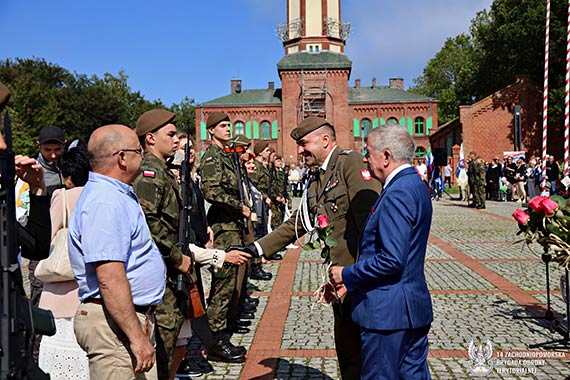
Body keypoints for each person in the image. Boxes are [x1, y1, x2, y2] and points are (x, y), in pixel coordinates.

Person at [230, 116, 382, 379]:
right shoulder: (317, 179)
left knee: (369, 353)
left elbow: (371, 225)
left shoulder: (350, 163)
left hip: (360, 279)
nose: (300, 150)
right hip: (342, 281)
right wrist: (255, 249)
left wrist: (357, 275)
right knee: (348, 352)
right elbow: (297, 224)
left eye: (304, 143)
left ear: (325, 140)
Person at [329, 125, 433, 380]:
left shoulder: (397, 192)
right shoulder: (414, 184)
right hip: (410, 308)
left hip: (387, 315)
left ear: (386, 156)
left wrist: (347, 274)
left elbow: (391, 260)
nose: (364, 159)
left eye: (368, 152)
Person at [69, 124, 166, 380]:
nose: (143, 155)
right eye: (138, 150)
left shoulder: (115, 195)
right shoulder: (105, 201)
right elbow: (109, 276)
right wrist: (136, 336)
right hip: (115, 324)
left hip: (123, 320)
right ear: (121, 157)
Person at [132, 109, 194, 380]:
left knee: (172, 339)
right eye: (170, 135)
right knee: (163, 341)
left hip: (169, 267)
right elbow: (148, 222)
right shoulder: (149, 172)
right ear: (150, 138)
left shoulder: (163, 171)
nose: (176, 140)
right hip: (161, 267)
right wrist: (176, 256)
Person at [199, 112, 252, 351]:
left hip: (232, 224)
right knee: (223, 282)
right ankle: (215, 339)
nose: (228, 129)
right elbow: (211, 191)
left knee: (231, 282)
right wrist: (239, 206)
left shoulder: (226, 155)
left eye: (228, 125)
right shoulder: (212, 156)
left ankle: (222, 329)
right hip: (223, 225)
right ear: (211, 130)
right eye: (222, 126)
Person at [38, 144, 91, 380]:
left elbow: (46, 235)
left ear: (67, 176)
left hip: (60, 290)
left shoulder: (63, 196)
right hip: (88, 288)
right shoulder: (97, 196)